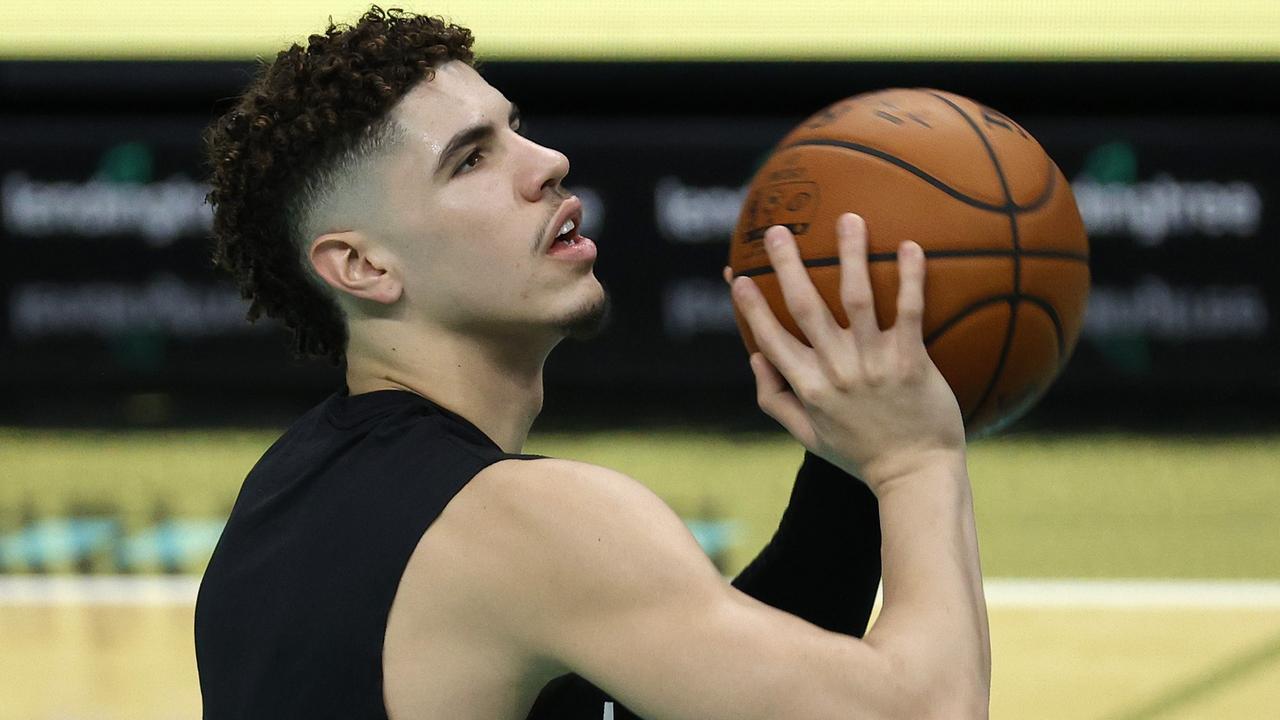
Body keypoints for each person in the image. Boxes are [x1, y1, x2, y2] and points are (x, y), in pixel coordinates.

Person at [194, 6, 990, 719]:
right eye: (470, 158)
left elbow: (685, 685)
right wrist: (912, 461)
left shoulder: (285, 495)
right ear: (363, 267)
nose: (546, 162)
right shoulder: (528, 523)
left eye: (517, 128)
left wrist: (845, 475)